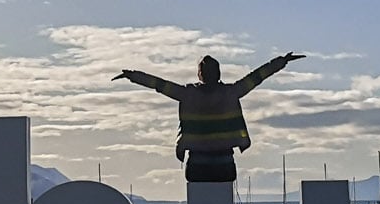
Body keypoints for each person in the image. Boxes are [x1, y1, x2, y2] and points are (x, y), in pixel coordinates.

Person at [112, 52, 304, 182]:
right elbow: (256, 77)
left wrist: (133, 75)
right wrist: (280, 62)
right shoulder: (231, 92)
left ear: (199, 75)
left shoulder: (187, 94)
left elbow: (159, 84)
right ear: (218, 73)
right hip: (224, 162)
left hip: (197, 163)